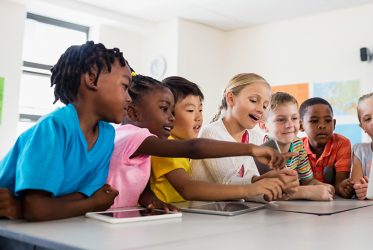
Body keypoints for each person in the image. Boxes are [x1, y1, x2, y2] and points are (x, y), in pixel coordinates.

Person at [107, 74, 287, 208]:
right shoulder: (140, 138)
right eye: (164, 109)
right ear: (133, 112)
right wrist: (251, 157)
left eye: (200, 110)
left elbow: (142, 187)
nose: (171, 117)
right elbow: (193, 154)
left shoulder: (149, 144)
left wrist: (152, 201)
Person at [0, 41, 130, 221]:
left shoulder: (107, 135)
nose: (129, 98)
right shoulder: (54, 127)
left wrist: (33, 207)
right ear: (92, 78)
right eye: (125, 86)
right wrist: (93, 205)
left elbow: (80, 195)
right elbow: (36, 210)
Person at [191, 73, 299, 198]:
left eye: (265, 106)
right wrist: (264, 182)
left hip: (237, 212)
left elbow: (250, 181)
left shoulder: (256, 137)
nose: (260, 109)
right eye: (253, 100)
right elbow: (229, 183)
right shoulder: (210, 133)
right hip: (204, 213)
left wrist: (277, 180)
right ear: (230, 98)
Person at [259, 92, 335, 201]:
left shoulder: (298, 145)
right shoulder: (260, 149)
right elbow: (265, 191)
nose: (290, 125)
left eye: (294, 118)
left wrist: (324, 187)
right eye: (281, 119)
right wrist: (308, 192)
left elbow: (308, 181)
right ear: (263, 126)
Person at [299, 97, 353, 198]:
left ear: (334, 124)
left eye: (328, 120)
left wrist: (342, 187)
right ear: (301, 125)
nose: (322, 125)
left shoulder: (342, 143)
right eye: (314, 121)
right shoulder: (296, 147)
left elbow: (339, 183)